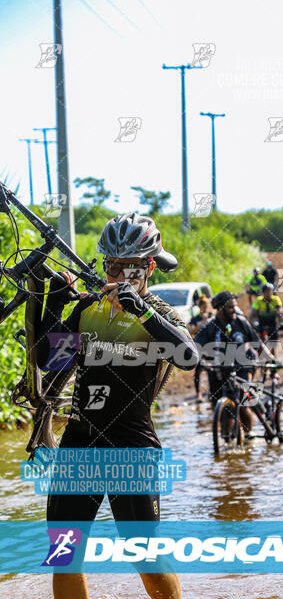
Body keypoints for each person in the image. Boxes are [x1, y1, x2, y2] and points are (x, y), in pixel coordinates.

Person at [36, 212, 199, 599]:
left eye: (131, 269)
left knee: (143, 555)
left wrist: (141, 309)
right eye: (112, 266)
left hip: (132, 446)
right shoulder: (88, 308)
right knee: (65, 553)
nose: (120, 277)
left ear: (150, 266)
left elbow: (189, 358)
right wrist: (55, 306)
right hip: (80, 442)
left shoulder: (160, 313)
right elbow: (49, 360)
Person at [194, 290, 275, 438]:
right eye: (230, 308)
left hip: (243, 366)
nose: (234, 310)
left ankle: (248, 435)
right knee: (222, 409)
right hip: (218, 370)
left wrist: (270, 359)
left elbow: (257, 344)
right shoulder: (210, 327)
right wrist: (196, 359)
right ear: (219, 309)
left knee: (244, 404)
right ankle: (226, 439)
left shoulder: (241, 322)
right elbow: (196, 346)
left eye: (234, 307)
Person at [188, 295, 214, 403]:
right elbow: (191, 331)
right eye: (203, 306)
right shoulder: (195, 319)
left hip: (210, 346)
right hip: (198, 346)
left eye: (206, 306)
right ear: (199, 307)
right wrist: (202, 323)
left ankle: (212, 392)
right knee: (198, 370)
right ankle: (198, 394)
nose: (204, 308)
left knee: (212, 370)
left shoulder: (212, 316)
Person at [249, 283, 283, 354]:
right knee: (260, 342)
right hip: (262, 323)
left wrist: (282, 323)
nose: (268, 293)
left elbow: (280, 312)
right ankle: (260, 358)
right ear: (263, 292)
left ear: (272, 291)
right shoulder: (258, 300)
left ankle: (273, 358)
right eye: (266, 291)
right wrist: (251, 323)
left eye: (269, 291)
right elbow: (252, 313)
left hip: (272, 323)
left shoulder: (276, 299)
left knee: (274, 342)